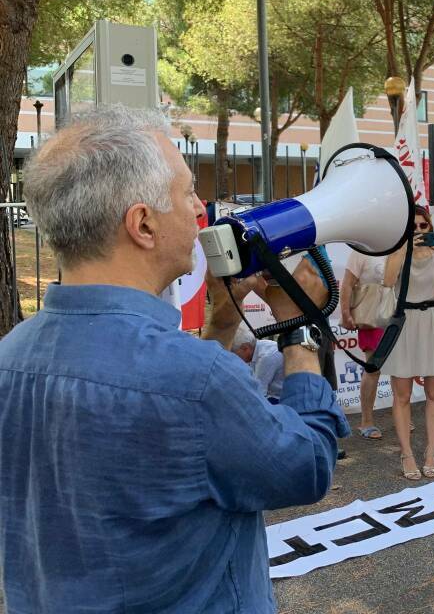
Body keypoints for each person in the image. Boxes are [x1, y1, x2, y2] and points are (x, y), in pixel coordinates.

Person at [0, 108, 345, 613]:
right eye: (187, 193)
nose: (199, 212)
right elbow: (307, 466)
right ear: (142, 223)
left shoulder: (11, 356)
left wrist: (222, 324)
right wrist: (298, 331)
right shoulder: (196, 379)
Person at [385, 206, 434, 479]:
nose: (418, 231)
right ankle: (407, 454)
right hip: (405, 323)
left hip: (432, 322)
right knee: (402, 394)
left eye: (422, 226)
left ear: (430, 228)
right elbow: (388, 280)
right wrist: (402, 249)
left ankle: (430, 452)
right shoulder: (398, 253)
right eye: (413, 227)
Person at [341, 248, 389, 439]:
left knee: (400, 369)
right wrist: (345, 313)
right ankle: (366, 421)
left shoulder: (397, 249)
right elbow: (347, 285)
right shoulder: (360, 252)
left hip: (395, 315)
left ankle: (402, 415)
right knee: (373, 368)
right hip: (372, 315)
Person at [230, 326, 286, 402]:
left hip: (280, 398)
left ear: (245, 348)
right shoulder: (257, 349)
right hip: (272, 394)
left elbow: (258, 391)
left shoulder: (266, 357)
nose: (234, 357)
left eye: (233, 352)